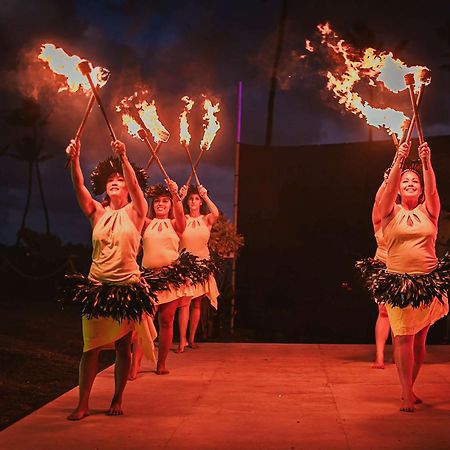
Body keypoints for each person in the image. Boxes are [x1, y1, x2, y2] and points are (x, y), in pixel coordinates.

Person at [64, 138, 157, 420]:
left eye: (120, 179)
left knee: (122, 346)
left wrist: (124, 158)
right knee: (89, 347)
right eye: (110, 180)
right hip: (97, 287)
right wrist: (75, 159)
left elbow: (139, 189)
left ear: (128, 186)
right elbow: (78, 187)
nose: (115, 182)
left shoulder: (137, 211)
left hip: (127, 288)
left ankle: (117, 398)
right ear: (105, 187)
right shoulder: (97, 212)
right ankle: (83, 403)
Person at [376, 140, 449, 412]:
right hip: (398, 284)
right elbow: (388, 191)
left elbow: (432, 189)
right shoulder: (388, 212)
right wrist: (399, 160)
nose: (409, 183)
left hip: (427, 284)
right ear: (398, 188)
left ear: (420, 191)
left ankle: (411, 385)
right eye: (405, 180)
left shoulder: (429, 212)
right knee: (403, 338)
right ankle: (405, 393)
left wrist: (426, 165)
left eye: (414, 181)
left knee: (419, 344)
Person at [129, 182, 192, 377]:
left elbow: (181, 215)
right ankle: (135, 365)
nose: (161, 204)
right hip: (148, 278)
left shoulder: (175, 224)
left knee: (166, 321)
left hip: (169, 279)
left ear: (171, 205)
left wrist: (175, 194)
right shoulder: (146, 223)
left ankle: (161, 363)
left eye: (165, 201)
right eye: (157, 201)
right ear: (152, 204)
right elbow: (135, 210)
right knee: (144, 322)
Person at [175, 184, 220, 352]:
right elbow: (174, 212)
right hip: (185, 265)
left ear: (200, 202)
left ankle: (192, 339)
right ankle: (182, 341)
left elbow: (216, 213)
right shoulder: (181, 219)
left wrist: (205, 195)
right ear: (188, 202)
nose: (194, 202)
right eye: (191, 199)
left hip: (202, 264)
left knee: (197, 304)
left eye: (197, 199)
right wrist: (180, 197)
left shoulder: (206, 219)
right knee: (184, 302)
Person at [371, 170, 393, 369]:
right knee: (384, 311)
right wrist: (386, 181)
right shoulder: (379, 221)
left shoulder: (402, 217)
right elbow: (378, 200)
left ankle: (400, 352)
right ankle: (379, 356)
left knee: (403, 314)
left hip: (404, 268)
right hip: (383, 266)